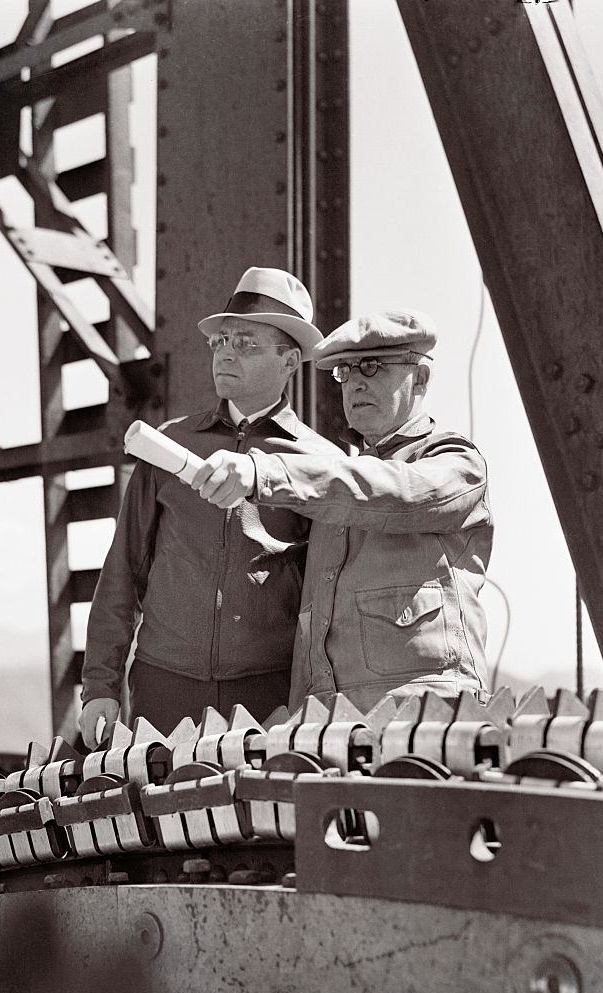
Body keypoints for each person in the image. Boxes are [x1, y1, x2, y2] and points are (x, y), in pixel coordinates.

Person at [78, 267, 340, 747]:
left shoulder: (323, 464)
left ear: (290, 360)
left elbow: (333, 598)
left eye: (246, 343)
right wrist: (100, 684)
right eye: (221, 341)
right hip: (162, 688)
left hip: (269, 696)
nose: (226, 353)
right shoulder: (168, 443)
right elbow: (123, 569)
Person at [190, 310, 492, 711]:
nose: (355, 383)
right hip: (331, 720)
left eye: (372, 366)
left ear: (419, 379)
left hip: (426, 712)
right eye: (344, 372)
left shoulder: (455, 463)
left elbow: (396, 490)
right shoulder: (335, 482)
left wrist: (267, 471)